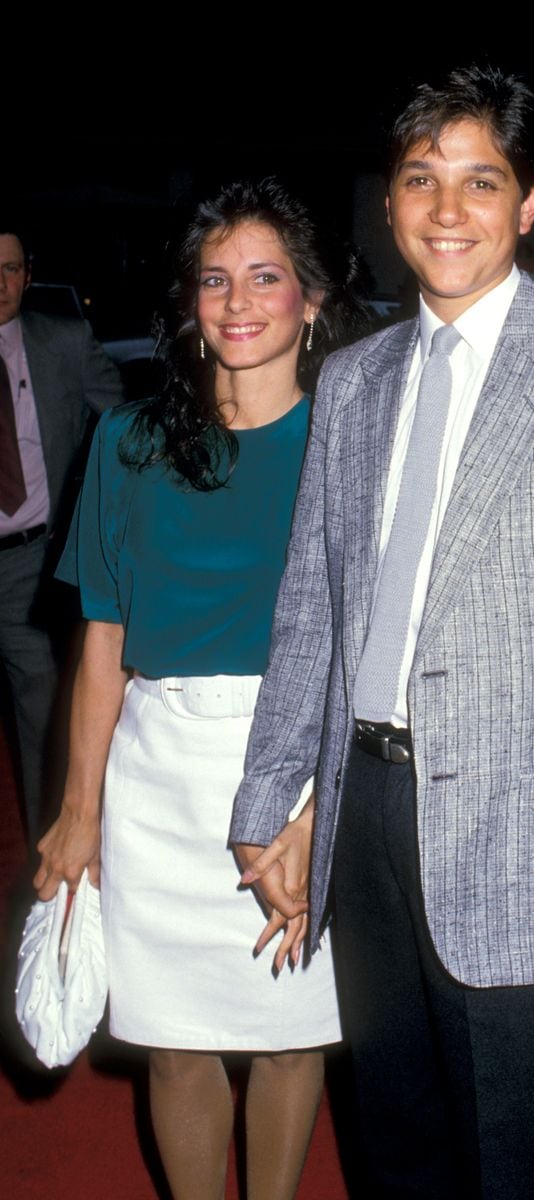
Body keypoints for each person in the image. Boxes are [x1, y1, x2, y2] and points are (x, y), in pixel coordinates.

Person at [232, 68, 534, 1199]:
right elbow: (312, 614)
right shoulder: (351, 382)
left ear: (528, 203)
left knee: (527, 1169)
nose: (447, 210)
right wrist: (272, 799)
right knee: (400, 1160)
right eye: (421, 180)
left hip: (533, 845)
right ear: (386, 204)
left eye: (480, 181)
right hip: (370, 827)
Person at [33, 179, 365, 1200]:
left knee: (287, 1033)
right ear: (189, 304)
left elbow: (370, 647)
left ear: (311, 300)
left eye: (265, 277)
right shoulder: (129, 444)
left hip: (301, 764)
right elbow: (102, 647)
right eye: (215, 280)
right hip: (161, 776)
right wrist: (77, 813)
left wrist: (318, 805)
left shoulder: (354, 448)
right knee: (175, 1041)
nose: (237, 301)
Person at [0, 220, 122, 841]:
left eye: (12, 268)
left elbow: (127, 426)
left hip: (27, 561)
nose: (1, 283)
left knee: (42, 712)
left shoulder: (64, 343)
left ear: (28, 275)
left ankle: (53, 845)